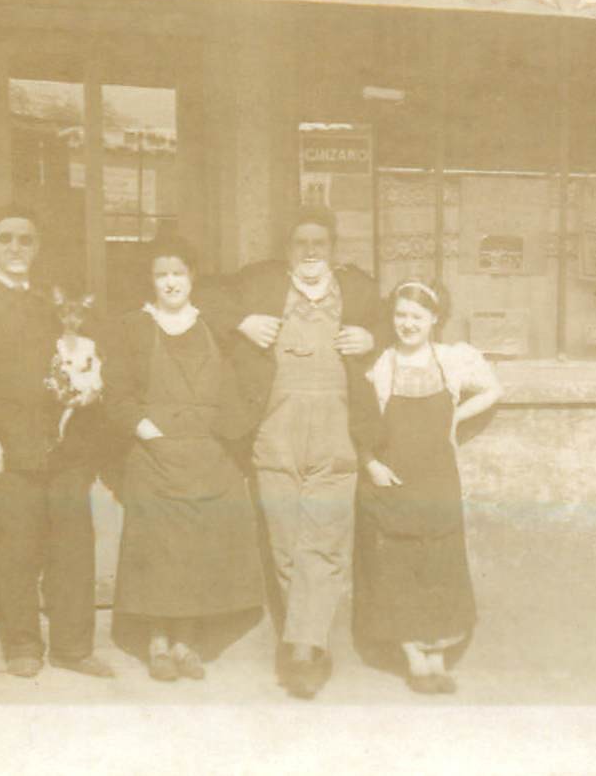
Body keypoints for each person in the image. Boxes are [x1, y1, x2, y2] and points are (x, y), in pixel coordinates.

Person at [204, 205, 381, 699]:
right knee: (285, 542)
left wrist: (374, 336)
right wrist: (242, 321)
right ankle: (307, 640)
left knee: (323, 540)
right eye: (301, 243)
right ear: (287, 249)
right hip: (275, 429)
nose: (310, 252)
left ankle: (303, 649)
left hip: (337, 431)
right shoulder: (260, 283)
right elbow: (201, 296)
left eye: (319, 243)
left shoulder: (357, 289)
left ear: (333, 248)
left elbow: (404, 320)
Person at [0, 204, 114, 679]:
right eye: (6, 238)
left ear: (37, 247)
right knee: (16, 550)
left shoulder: (48, 302)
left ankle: (73, 648)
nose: (16, 247)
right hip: (8, 450)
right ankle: (21, 645)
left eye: (26, 239)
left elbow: (77, 357)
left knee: (73, 549)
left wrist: (89, 387)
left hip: (63, 450)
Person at [103, 236, 264, 682]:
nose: (170, 282)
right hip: (153, 455)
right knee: (158, 551)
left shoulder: (215, 325)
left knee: (199, 550)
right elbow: (115, 393)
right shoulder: (132, 326)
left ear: (192, 276)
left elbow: (251, 378)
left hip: (209, 456)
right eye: (161, 274)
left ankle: (187, 643)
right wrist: (147, 430)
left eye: (178, 273)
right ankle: (157, 642)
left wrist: (230, 430)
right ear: (150, 280)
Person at [354, 280, 502, 694]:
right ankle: (414, 659)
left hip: (437, 479)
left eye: (416, 317)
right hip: (392, 480)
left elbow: (494, 389)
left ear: (434, 319)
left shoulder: (453, 360)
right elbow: (358, 420)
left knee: (440, 564)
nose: (407, 324)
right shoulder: (380, 364)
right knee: (396, 566)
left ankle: (437, 656)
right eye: (400, 315)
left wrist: (456, 418)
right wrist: (371, 464)